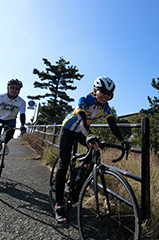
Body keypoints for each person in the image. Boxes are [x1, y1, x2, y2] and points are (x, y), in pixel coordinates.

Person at [54, 76, 131, 224]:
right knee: (63, 163)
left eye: (110, 94)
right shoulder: (83, 100)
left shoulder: (105, 107)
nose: (106, 96)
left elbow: (113, 125)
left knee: (95, 153)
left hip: (83, 133)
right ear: (95, 90)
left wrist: (122, 140)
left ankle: (75, 183)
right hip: (69, 130)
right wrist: (89, 135)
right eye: (103, 92)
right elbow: (82, 120)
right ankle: (59, 204)